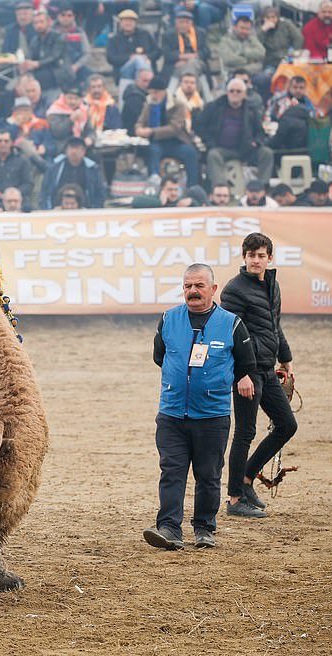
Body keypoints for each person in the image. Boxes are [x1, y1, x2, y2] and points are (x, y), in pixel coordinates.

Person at [144, 263, 255, 550]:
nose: (193, 291)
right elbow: (160, 356)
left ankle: (204, 528)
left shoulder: (231, 324)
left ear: (213, 289)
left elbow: (247, 363)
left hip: (212, 416)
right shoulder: (168, 319)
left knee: (209, 475)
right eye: (188, 286)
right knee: (172, 471)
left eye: (199, 286)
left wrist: (238, 378)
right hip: (171, 413)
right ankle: (169, 528)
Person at [220, 233, 297, 519]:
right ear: (244, 257)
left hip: (266, 368)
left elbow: (273, 325)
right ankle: (234, 499)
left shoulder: (271, 285)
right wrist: (243, 373)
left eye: (261, 255)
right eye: (251, 255)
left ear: (269, 258)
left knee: (287, 425)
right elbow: (230, 335)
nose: (255, 260)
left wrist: (286, 358)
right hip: (247, 373)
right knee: (245, 432)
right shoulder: (233, 290)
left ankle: (247, 478)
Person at [199, 78, 273, 188]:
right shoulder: (215, 107)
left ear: (244, 94)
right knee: (213, 155)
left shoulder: (252, 109)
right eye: (231, 91)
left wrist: (256, 142)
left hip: (246, 149)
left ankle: (262, 188)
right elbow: (201, 127)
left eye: (238, 91)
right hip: (222, 149)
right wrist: (210, 143)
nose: (234, 94)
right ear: (227, 92)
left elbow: (260, 132)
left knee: (266, 153)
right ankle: (220, 189)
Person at [136, 77, 200, 187]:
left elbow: (174, 128)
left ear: (163, 91)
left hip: (176, 142)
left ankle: (192, 186)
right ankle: (154, 182)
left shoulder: (178, 105)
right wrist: (139, 129)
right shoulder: (149, 104)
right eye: (151, 93)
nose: (153, 96)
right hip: (157, 143)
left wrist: (152, 131)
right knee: (152, 152)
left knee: (190, 153)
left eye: (156, 93)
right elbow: (140, 122)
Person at [39, 136, 106, 209]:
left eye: (77, 148)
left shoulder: (93, 169)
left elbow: (100, 194)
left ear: (84, 151)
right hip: (57, 210)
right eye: (71, 148)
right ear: (66, 150)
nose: (74, 151)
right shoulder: (54, 168)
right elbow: (45, 192)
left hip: (85, 211)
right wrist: (48, 211)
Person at [0, 128, 33, 209]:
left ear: (11, 142)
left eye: (6, 141)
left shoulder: (22, 160)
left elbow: (29, 184)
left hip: (16, 205)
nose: (3, 144)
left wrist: (15, 193)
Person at [106, 9, 160, 83]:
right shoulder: (114, 39)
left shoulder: (145, 34)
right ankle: (148, 80)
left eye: (131, 21)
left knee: (139, 59)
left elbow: (157, 52)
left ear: (135, 22)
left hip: (147, 64)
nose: (128, 23)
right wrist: (130, 58)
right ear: (120, 23)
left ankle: (145, 79)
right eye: (125, 21)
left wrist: (147, 57)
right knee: (137, 59)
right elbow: (111, 58)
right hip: (124, 72)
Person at [20, 10, 66, 94]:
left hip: (56, 70)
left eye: (41, 22)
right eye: (35, 23)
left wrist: (37, 63)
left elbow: (54, 57)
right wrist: (27, 64)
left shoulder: (58, 37)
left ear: (48, 22)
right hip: (39, 70)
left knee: (39, 77)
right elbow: (30, 56)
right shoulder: (35, 40)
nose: (38, 25)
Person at [257, 7, 304, 71]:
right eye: (267, 18)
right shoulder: (259, 27)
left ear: (277, 17)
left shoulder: (286, 24)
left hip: (286, 58)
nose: (271, 20)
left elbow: (298, 38)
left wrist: (293, 52)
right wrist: (263, 30)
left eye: (273, 17)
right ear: (263, 18)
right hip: (269, 61)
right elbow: (256, 45)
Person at [121, 67, 153, 134]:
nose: (148, 84)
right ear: (137, 80)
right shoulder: (134, 97)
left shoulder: (148, 94)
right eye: (145, 81)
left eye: (151, 81)